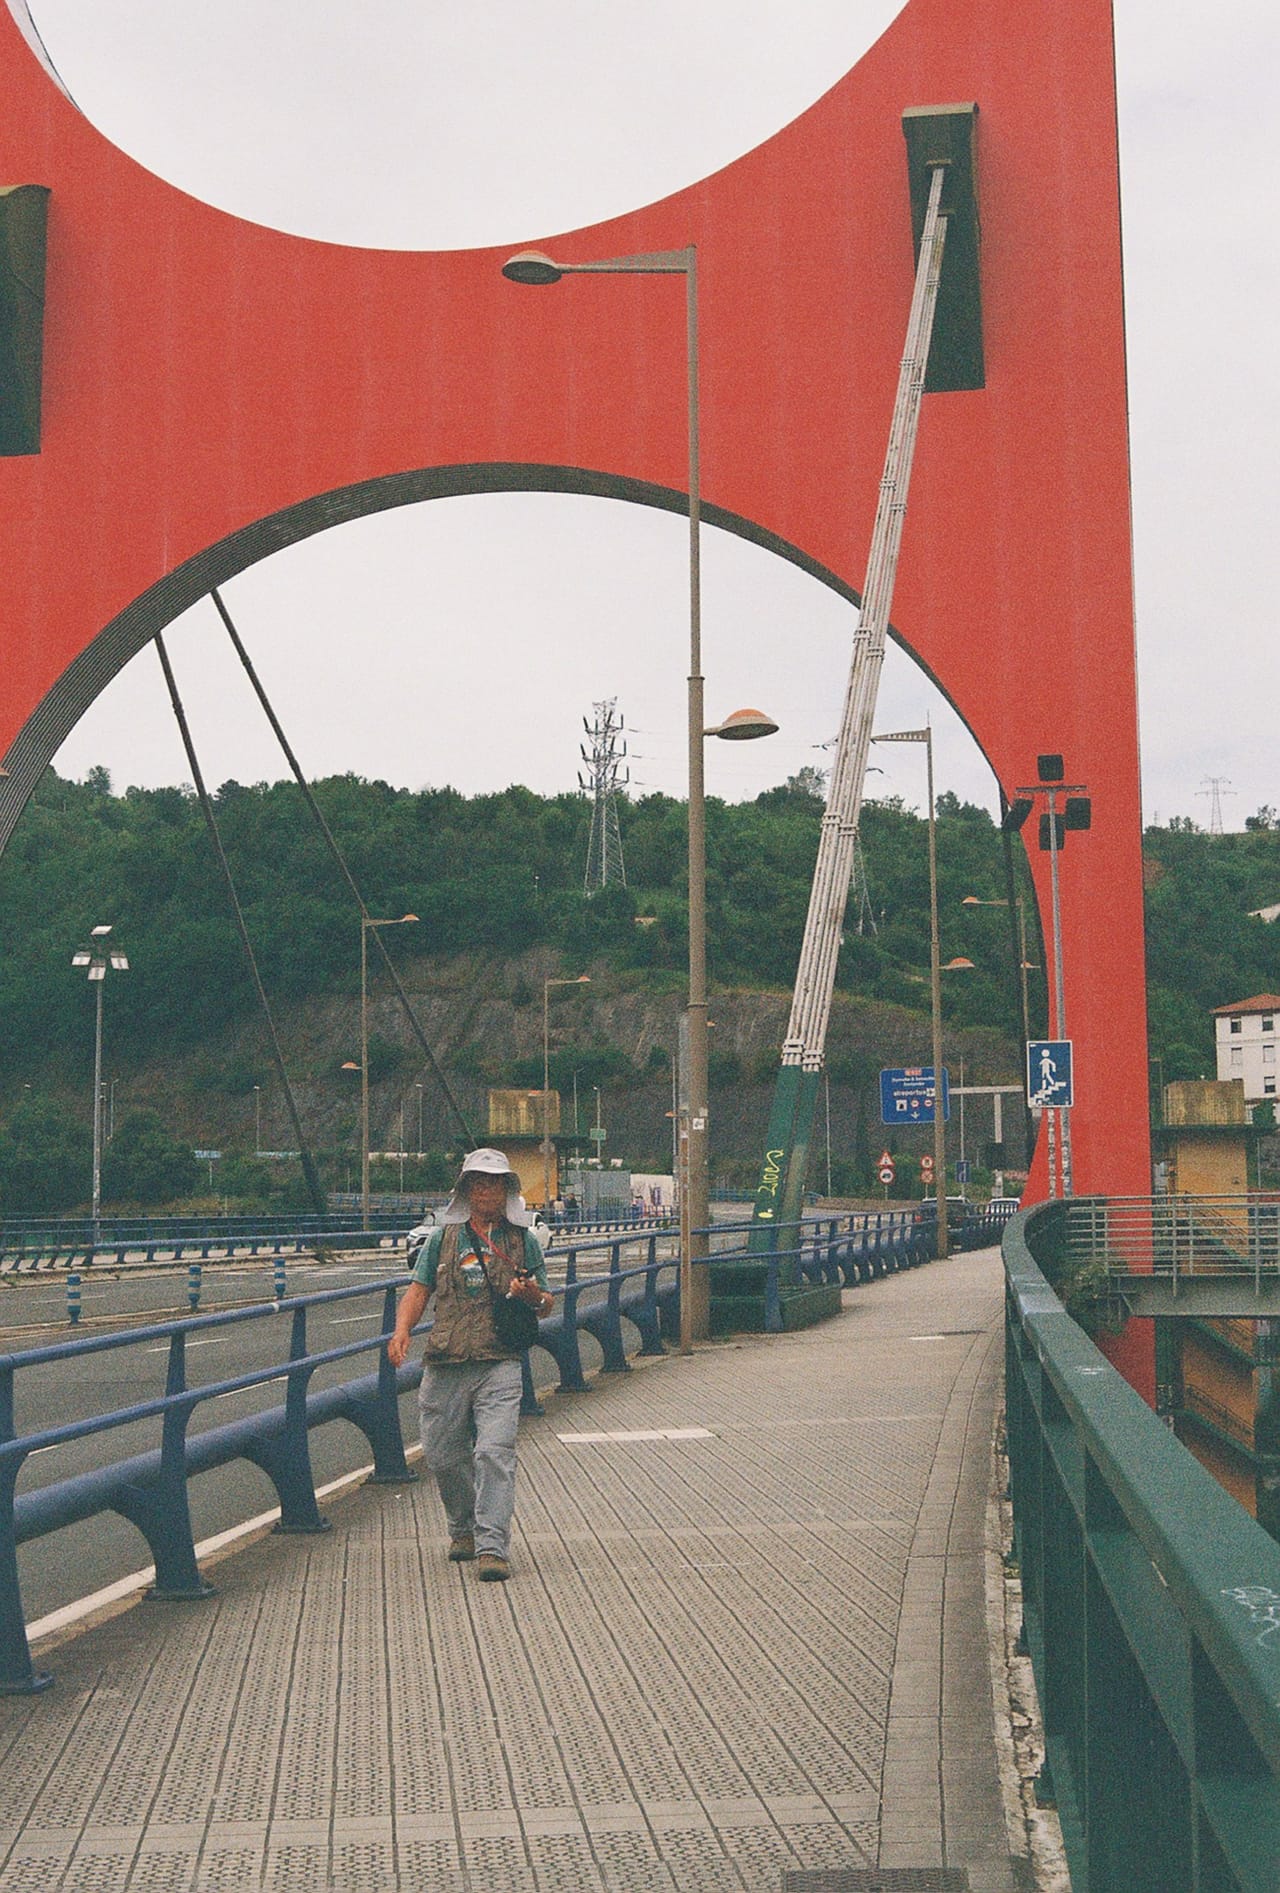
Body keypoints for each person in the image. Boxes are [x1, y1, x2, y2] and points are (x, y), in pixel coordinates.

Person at [387, 1148, 553, 1582]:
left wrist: (532, 1296)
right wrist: (402, 1330)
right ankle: (462, 1527)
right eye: (477, 1182)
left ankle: (492, 1547)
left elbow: (548, 1302)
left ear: (506, 1190)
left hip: (500, 1359)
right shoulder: (443, 1239)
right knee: (442, 1456)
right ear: (464, 1190)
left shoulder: (522, 1240)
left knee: (494, 1453)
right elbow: (418, 1290)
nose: (485, 1190)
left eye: (494, 1182)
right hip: (446, 1359)